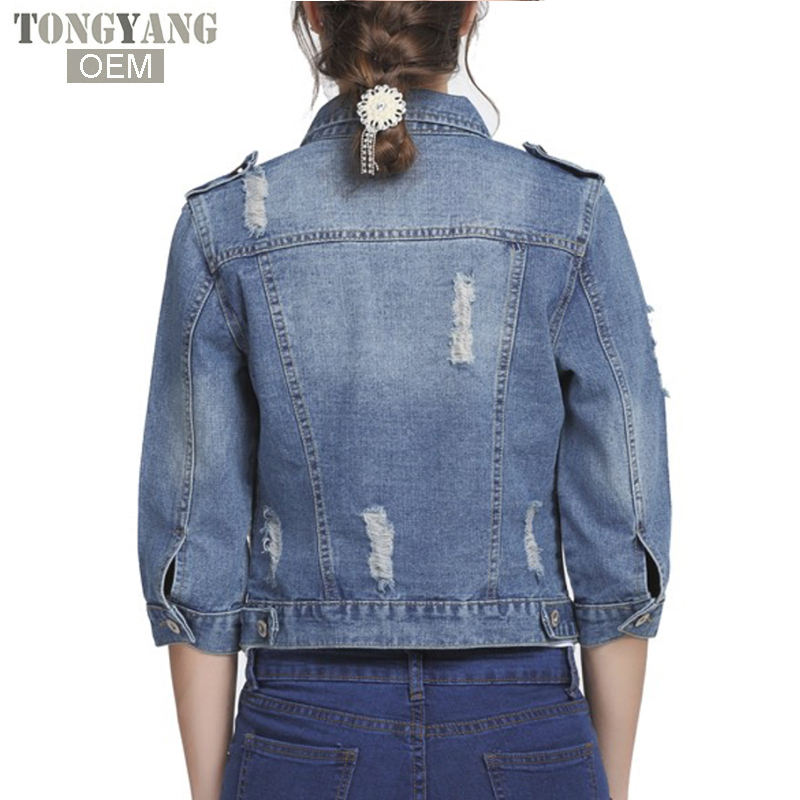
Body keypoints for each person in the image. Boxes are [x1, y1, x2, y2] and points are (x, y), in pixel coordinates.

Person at [136, 3, 672, 799]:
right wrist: (607, 782)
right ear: (471, 12)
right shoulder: (564, 214)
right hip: (521, 717)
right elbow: (621, 525)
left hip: (304, 721)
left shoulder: (227, 227)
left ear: (314, 16)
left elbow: (195, 539)